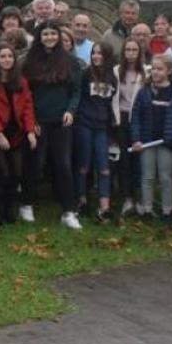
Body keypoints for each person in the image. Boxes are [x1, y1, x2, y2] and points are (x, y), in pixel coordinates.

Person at [23, 22, 82, 229]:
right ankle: (26, 204)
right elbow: (25, 94)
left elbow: (76, 91)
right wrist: (31, 121)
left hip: (61, 121)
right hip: (38, 121)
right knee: (36, 163)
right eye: (45, 34)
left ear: (59, 36)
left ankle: (68, 211)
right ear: (39, 37)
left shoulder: (70, 61)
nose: (49, 37)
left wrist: (70, 111)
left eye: (53, 34)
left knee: (63, 165)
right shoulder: (29, 62)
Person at [130, 54, 172, 223]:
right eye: (153, 69)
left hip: (168, 142)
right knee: (147, 176)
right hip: (147, 141)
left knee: (165, 176)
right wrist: (136, 139)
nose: (155, 72)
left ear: (169, 71)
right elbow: (136, 118)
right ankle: (147, 210)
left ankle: (167, 210)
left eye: (159, 69)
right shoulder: (144, 92)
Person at [0, 42, 36, 224]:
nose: (7, 60)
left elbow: (28, 106)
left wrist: (30, 130)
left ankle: (9, 209)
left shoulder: (21, 81)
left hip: (17, 134)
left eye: (10, 56)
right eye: (3, 56)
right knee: (2, 173)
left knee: (16, 174)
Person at [75, 43, 119, 222]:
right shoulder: (85, 73)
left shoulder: (112, 77)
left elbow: (111, 103)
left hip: (102, 127)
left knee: (104, 167)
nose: (96, 56)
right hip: (84, 124)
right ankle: (82, 202)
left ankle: (104, 208)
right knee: (84, 165)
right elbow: (78, 96)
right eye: (94, 53)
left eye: (100, 53)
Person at [115, 38, 148, 216]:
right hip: (121, 118)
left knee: (139, 159)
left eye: (134, 50)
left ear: (139, 52)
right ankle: (127, 198)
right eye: (127, 50)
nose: (131, 54)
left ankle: (141, 198)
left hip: (139, 119)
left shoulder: (146, 73)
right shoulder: (115, 72)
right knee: (124, 160)